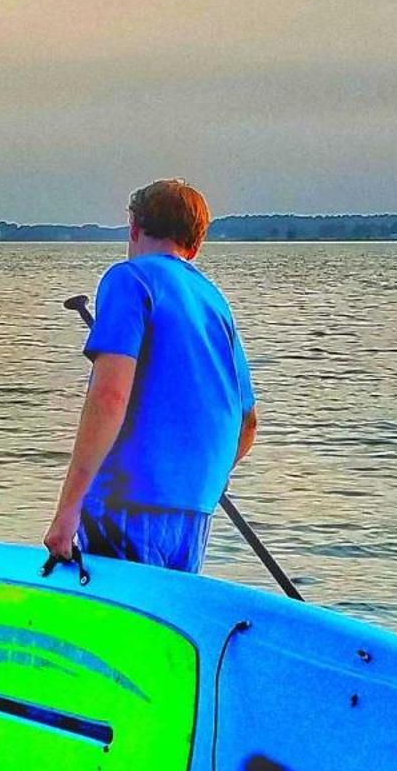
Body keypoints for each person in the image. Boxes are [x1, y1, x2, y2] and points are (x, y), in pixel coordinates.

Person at [42, 179, 255, 575]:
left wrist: (67, 511)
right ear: (195, 245)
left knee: (118, 631)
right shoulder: (214, 301)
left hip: (126, 499)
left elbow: (109, 396)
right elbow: (247, 421)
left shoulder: (130, 279)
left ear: (134, 229)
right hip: (194, 507)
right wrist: (211, 478)